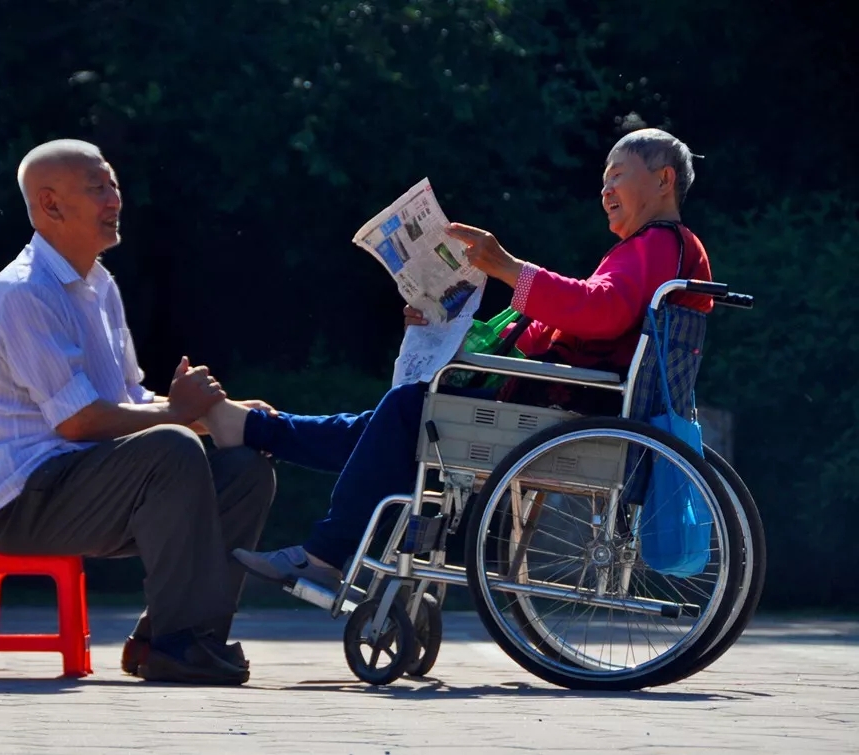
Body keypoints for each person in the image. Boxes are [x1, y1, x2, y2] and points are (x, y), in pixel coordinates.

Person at [201, 127, 714, 592]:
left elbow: (598, 312)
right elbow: (588, 315)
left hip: (564, 409)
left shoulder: (653, 245)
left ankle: (323, 549)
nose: (604, 192)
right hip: (566, 400)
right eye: (602, 180)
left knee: (403, 413)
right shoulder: (660, 251)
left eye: (617, 177)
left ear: (663, 179)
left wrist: (511, 269)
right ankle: (253, 431)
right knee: (392, 424)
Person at [0, 139, 277, 686]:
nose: (114, 199)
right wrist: (180, 416)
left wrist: (225, 415)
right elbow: (79, 423)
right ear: (50, 204)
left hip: (91, 482)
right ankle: (177, 644)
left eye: (114, 185)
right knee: (172, 448)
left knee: (244, 465)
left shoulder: (100, 285)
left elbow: (127, 403)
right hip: (22, 503)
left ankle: (177, 638)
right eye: (97, 188)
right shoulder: (24, 292)